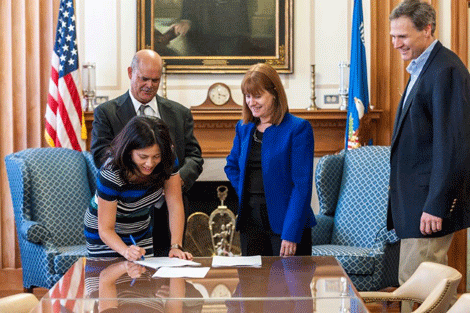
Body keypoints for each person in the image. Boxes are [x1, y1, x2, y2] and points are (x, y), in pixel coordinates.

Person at [387, 0, 470, 302]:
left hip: (428, 206)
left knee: (424, 287)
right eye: (393, 36)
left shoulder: (445, 70)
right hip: (415, 203)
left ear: (427, 29)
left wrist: (437, 202)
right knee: (414, 284)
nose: (396, 44)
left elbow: (454, 144)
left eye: (403, 37)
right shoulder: (423, 68)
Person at [91, 49, 203, 256]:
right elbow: (100, 155)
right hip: (122, 206)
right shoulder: (107, 112)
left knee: (164, 273)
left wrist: (174, 182)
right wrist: (138, 177)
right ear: (130, 73)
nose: (149, 85)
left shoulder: (180, 113)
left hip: (169, 204)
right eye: (144, 78)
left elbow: (194, 156)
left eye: (155, 80)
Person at [224, 63, 316, 257]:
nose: (251, 102)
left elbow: (302, 186)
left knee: (290, 286)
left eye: (257, 96)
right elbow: (231, 166)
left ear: (274, 94)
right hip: (250, 223)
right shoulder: (244, 128)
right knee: (252, 286)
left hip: (286, 225)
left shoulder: (298, 129)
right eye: (248, 96)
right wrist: (245, 190)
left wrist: (291, 233)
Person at [84, 116, 192, 261]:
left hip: (140, 231)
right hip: (104, 235)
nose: (150, 163)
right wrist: (126, 251)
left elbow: (175, 204)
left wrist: (176, 246)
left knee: (142, 280)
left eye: (156, 156)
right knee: (109, 279)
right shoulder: (111, 172)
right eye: (143, 156)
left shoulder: (168, 159)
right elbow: (105, 230)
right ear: (129, 151)